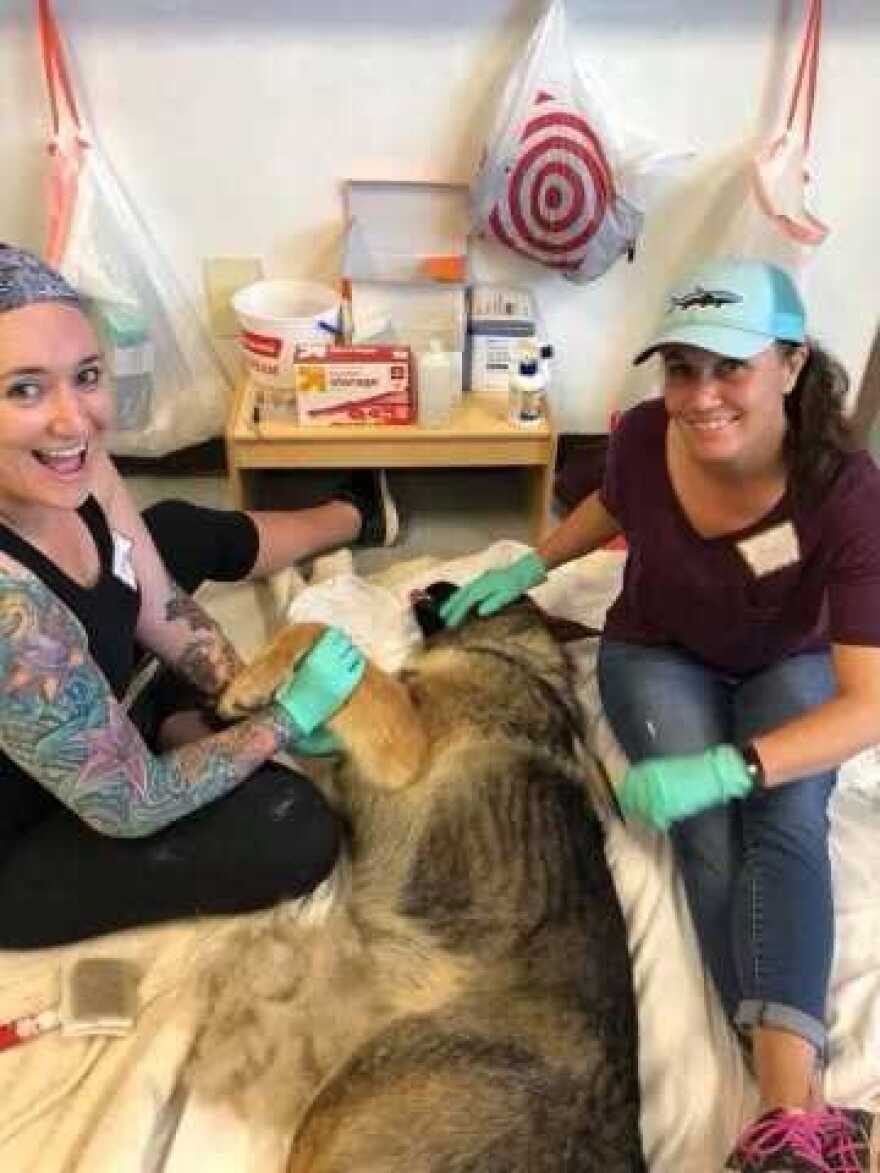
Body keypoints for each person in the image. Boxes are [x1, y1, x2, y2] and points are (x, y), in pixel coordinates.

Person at [440, 258, 880, 1172]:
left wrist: (737, 761)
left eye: (731, 367)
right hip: (659, 651)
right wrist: (533, 564)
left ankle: (783, 1116)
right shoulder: (646, 433)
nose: (702, 394)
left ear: (791, 366)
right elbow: (609, 500)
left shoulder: (846, 493)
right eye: (683, 367)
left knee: (786, 816)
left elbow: (868, 703)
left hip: (785, 661)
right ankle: (796, 1117)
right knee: (704, 835)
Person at [0, 243, 396, 949]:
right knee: (295, 828)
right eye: (24, 389)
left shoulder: (77, 463)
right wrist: (279, 722)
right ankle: (174, 726)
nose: (73, 420)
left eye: (85, 376)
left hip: (101, 698)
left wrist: (244, 691)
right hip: (31, 833)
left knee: (172, 531)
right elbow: (130, 801)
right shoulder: (12, 612)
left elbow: (159, 603)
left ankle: (355, 513)